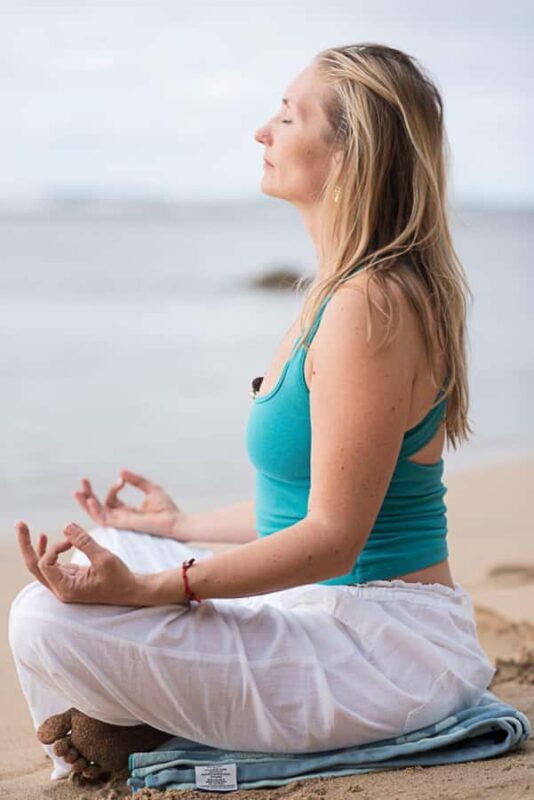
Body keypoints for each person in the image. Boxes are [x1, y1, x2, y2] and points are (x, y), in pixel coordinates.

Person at [8, 42, 496, 784]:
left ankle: (135, 732)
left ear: (349, 155)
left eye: (288, 116)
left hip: (380, 652)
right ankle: (132, 724)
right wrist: (170, 530)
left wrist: (146, 588)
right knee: (86, 562)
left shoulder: (371, 307)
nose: (262, 133)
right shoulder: (341, 292)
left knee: (44, 619)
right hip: (332, 617)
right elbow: (300, 510)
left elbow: (333, 541)